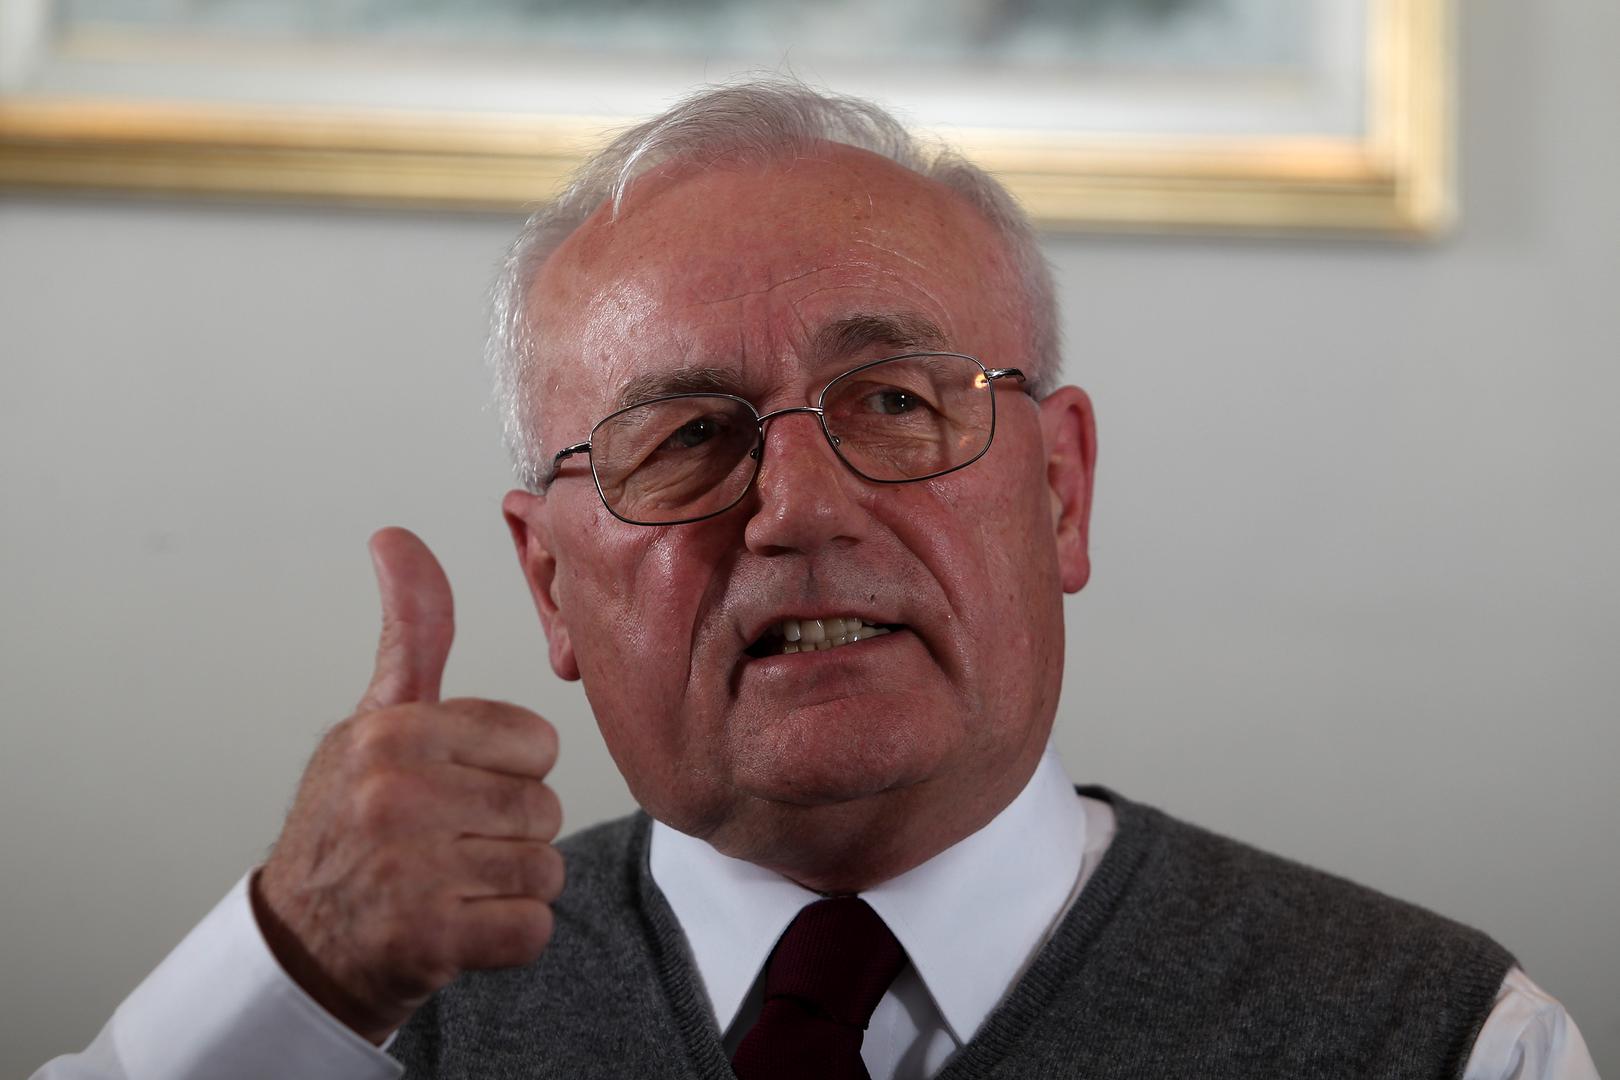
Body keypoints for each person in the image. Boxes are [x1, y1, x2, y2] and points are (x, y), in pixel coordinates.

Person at [35, 80, 1598, 1080]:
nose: (795, 507)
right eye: (687, 438)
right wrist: (291, 968)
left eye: (897, 404)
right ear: (551, 584)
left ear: (1061, 491)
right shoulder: (355, 1024)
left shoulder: (1447, 1043)